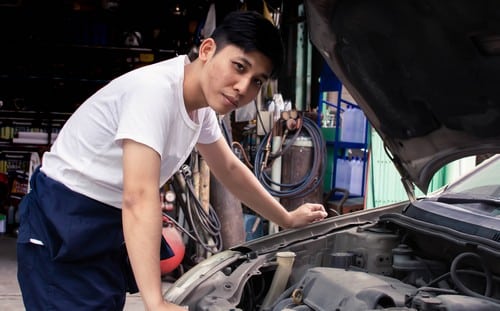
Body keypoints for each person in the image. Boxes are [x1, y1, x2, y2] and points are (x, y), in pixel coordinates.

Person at [16, 10, 327, 311]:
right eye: (239, 67)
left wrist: (286, 219)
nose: (243, 87)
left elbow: (230, 168)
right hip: (62, 217)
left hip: (105, 225)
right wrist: (155, 302)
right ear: (207, 49)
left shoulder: (201, 108)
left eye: (257, 81)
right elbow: (138, 197)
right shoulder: (154, 93)